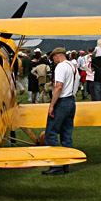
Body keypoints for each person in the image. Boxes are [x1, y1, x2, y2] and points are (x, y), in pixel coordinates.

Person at [42, 47, 78, 175]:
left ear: (57, 56)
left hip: (62, 101)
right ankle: (66, 163)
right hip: (71, 101)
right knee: (66, 134)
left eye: (53, 59)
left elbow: (59, 86)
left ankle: (57, 165)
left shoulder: (61, 67)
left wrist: (52, 105)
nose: (54, 62)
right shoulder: (73, 66)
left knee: (51, 134)